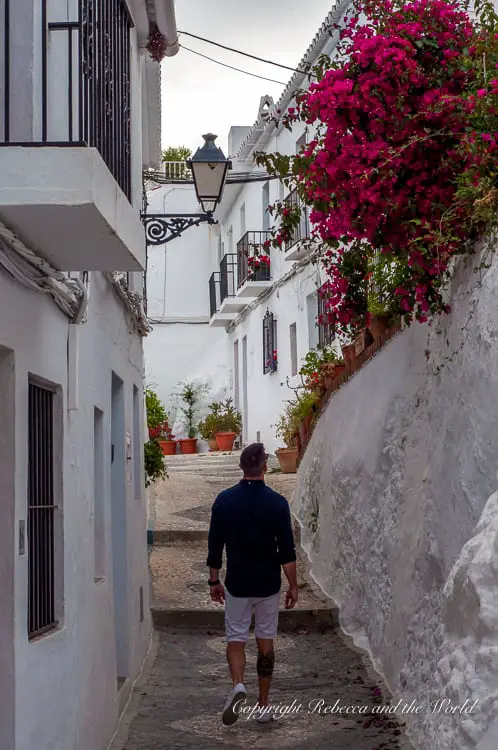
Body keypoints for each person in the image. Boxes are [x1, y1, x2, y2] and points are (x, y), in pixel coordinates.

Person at [206, 442, 298, 726]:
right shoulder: (278, 504)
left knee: (235, 638)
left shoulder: (224, 501)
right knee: (265, 642)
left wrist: (213, 581)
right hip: (268, 584)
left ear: (241, 467)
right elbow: (287, 551)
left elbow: (214, 546)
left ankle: (237, 686)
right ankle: (263, 705)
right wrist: (292, 585)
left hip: (237, 583)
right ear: (265, 467)